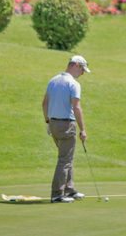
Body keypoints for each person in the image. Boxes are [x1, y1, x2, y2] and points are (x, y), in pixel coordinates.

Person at [42, 55, 90, 203]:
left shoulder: (53, 80)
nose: (82, 73)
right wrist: (83, 129)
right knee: (64, 160)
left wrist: (48, 122)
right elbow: (76, 107)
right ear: (75, 65)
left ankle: (69, 190)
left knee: (67, 158)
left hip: (54, 124)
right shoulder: (73, 84)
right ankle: (57, 194)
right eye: (82, 69)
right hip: (67, 125)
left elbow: (44, 104)